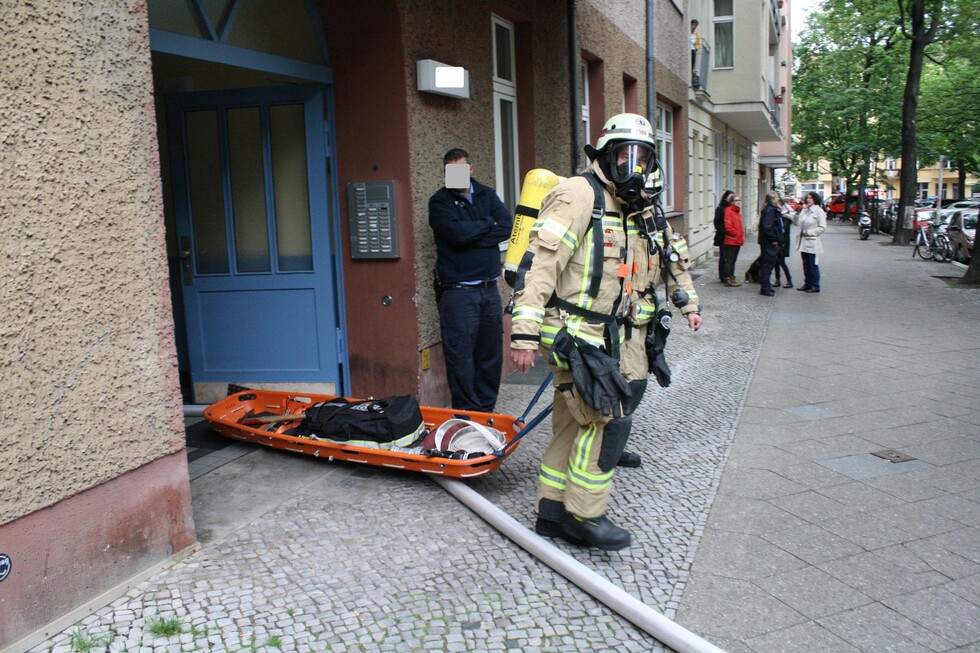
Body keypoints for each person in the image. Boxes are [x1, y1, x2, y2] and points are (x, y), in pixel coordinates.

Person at [510, 113, 680, 551]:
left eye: (641, 157)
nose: (632, 165)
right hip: (571, 333)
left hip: (601, 332)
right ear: (604, 154)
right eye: (624, 154)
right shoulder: (578, 194)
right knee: (606, 421)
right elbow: (539, 267)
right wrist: (524, 333)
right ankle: (585, 515)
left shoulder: (622, 203)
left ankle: (551, 512)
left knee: (570, 423)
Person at [428, 148, 513, 412]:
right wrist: (487, 224)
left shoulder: (487, 194)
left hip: (489, 290)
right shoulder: (439, 202)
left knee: (490, 357)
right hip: (458, 293)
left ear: (470, 169)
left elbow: (507, 226)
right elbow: (455, 234)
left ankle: (486, 414)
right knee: (461, 360)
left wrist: (471, 234)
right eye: (450, 171)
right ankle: (467, 417)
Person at [795, 191, 826, 293]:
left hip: (812, 241)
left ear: (815, 200)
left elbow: (822, 227)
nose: (808, 200)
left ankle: (815, 285)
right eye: (807, 198)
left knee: (812, 264)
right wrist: (800, 212)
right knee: (805, 264)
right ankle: (807, 283)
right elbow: (798, 223)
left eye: (811, 198)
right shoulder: (805, 210)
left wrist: (809, 232)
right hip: (803, 241)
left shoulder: (819, 211)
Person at [756, 191, 783, 297]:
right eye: (776, 198)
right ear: (772, 200)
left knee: (768, 265)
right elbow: (767, 227)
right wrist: (774, 239)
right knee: (767, 265)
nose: (778, 199)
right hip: (769, 243)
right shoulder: (770, 211)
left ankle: (766, 286)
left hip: (768, 242)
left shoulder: (771, 209)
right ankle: (765, 288)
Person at [722, 195, 745, 287]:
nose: (738, 202)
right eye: (736, 200)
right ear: (732, 202)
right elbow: (728, 227)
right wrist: (736, 234)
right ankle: (728, 278)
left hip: (737, 240)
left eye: (739, 200)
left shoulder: (737, 212)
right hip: (731, 240)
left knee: (733, 260)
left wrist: (740, 236)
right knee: (730, 260)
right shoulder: (729, 211)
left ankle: (732, 277)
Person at [714, 190, 735, 283]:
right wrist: (723, 231)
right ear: (726, 198)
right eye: (731, 197)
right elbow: (717, 222)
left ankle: (729, 274)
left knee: (730, 257)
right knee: (723, 256)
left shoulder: (732, 208)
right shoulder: (720, 209)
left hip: (731, 237)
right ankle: (723, 275)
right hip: (723, 236)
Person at [774, 198, 793, 288]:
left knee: (781, 262)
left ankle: (789, 280)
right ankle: (777, 280)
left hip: (783, 243)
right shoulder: (779, 216)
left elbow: (782, 231)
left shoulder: (785, 217)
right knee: (776, 262)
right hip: (780, 242)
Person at [690, 20, 702, 84]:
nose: (694, 27)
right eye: (693, 25)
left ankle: (692, 75)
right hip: (688, 49)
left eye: (695, 25)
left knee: (692, 63)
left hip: (693, 49)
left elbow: (698, 43)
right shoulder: (688, 33)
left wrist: (696, 48)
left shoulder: (696, 34)